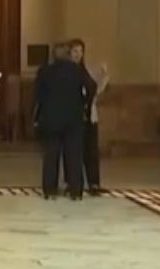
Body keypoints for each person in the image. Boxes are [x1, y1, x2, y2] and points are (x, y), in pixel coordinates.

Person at [34, 42, 90, 200]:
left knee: (51, 156)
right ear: (68, 55)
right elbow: (90, 88)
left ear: (53, 55)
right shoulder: (76, 70)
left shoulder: (44, 71)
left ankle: (49, 190)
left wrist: (38, 116)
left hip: (51, 119)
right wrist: (83, 104)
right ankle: (75, 191)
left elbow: (38, 95)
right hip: (73, 119)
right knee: (74, 156)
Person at [69, 39, 107, 193]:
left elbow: (95, 91)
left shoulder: (85, 72)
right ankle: (73, 183)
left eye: (80, 51)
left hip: (90, 116)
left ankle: (94, 183)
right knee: (74, 151)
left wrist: (104, 78)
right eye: (75, 51)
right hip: (75, 117)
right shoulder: (68, 72)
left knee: (91, 150)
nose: (78, 54)